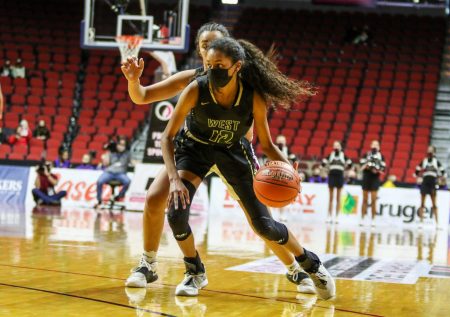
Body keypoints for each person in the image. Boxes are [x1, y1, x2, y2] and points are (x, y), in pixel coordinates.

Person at [122, 23, 318, 295]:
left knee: (260, 221)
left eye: (213, 45)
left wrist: (285, 166)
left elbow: (263, 140)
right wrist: (134, 80)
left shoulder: (246, 87)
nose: (207, 51)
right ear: (201, 51)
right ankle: (148, 264)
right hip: (196, 149)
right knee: (155, 197)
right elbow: (142, 97)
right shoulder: (192, 81)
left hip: (233, 152)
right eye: (203, 46)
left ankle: (293, 268)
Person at [95, 136, 131, 207]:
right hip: (109, 173)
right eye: (120, 144)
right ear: (117, 145)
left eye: (123, 145)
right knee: (99, 181)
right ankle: (99, 200)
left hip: (121, 173)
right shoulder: (111, 152)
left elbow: (133, 162)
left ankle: (119, 196)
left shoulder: (127, 154)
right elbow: (106, 164)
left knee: (128, 181)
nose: (121, 146)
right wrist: (107, 153)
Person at [415, 146, 445, 227]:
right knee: (422, 204)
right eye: (428, 150)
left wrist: (439, 178)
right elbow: (417, 170)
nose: (429, 152)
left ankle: (437, 223)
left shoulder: (436, 162)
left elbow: (443, 172)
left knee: (434, 204)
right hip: (425, 183)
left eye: (431, 150)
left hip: (432, 183)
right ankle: (421, 222)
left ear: (434, 152)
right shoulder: (424, 161)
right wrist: (419, 176)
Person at [322, 141, 352, 223]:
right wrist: (326, 170)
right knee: (331, 198)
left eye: (338, 146)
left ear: (340, 147)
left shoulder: (343, 155)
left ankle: (337, 217)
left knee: (338, 198)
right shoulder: (330, 155)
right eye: (335, 146)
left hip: (339, 177)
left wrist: (345, 170)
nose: (336, 147)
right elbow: (323, 164)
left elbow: (350, 164)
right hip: (331, 176)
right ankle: (329, 216)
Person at [359, 140, 385, 226]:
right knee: (365, 199)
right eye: (373, 144)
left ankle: (373, 220)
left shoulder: (381, 156)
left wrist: (376, 169)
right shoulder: (366, 154)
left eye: (376, 145)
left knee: (374, 200)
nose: (375, 146)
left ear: (379, 147)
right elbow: (361, 166)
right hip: (366, 177)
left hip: (375, 178)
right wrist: (367, 165)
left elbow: (383, 169)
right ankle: (362, 218)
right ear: (370, 145)